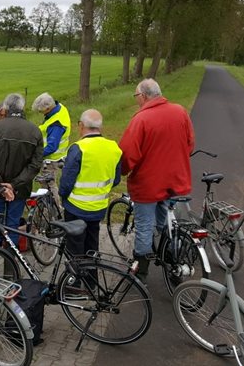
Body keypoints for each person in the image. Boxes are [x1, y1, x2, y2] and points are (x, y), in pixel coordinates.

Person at [119, 78, 195, 283]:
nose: (137, 101)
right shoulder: (180, 112)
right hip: (176, 181)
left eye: (136, 97)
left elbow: (128, 155)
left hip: (149, 184)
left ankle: (141, 272)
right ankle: (172, 256)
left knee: (144, 226)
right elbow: (190, 144)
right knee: (169, 221)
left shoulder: (141, 119)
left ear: (143, 96)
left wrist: (123, 171)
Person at [0, 93, 43, 245]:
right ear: (22, 107)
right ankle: (11, 266)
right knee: (13, 226)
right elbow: (35, 165)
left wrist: (1, 186)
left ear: (6, 107)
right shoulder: (34, 131)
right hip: (20, 189)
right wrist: (13, 185)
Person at [58, 109, 122, 257]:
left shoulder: (79, 148)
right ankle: (91, 277)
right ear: (101, 127)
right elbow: (116, 179)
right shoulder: (114, 148)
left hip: (75, 208)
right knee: (92, 247)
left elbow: (66, 183)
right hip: (99, 208)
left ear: (81, 125)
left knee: (75, 250)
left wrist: (63, 196)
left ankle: (76, 278)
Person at [31, 92, 72, 207]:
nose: (41, 113)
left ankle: (54, 212)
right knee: (48, 186)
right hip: (58, 157)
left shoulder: (56, 125)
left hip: (51, 161)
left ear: (48, 108)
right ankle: (50, 211)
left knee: (49, 187)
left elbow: (51, 147)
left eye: (41, 111)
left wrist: (35, 154)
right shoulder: (60, 108)